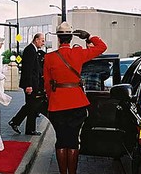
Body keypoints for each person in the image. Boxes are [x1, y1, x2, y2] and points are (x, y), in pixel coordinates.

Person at [43, 22, 107, 174]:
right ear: (71, 38)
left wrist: (53, 99)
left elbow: (47, 83)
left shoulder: (49, 57)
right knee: (72, 140)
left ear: (58, 38)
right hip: (77, 103)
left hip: (57, 104)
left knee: (61, 140)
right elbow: (102, 47)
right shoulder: (78, 54)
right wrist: (90, 36)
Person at [8, 33, 45, 135]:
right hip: (30, 84)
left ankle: (18, 123)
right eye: (42, 40)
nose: (43, 43)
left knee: (31, 105)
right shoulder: (30, 50)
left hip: (33, 83)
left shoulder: (33, 50)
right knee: (32, 105)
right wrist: (28, 85)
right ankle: (21, 125)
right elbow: (27, 69)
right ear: (36, 40)